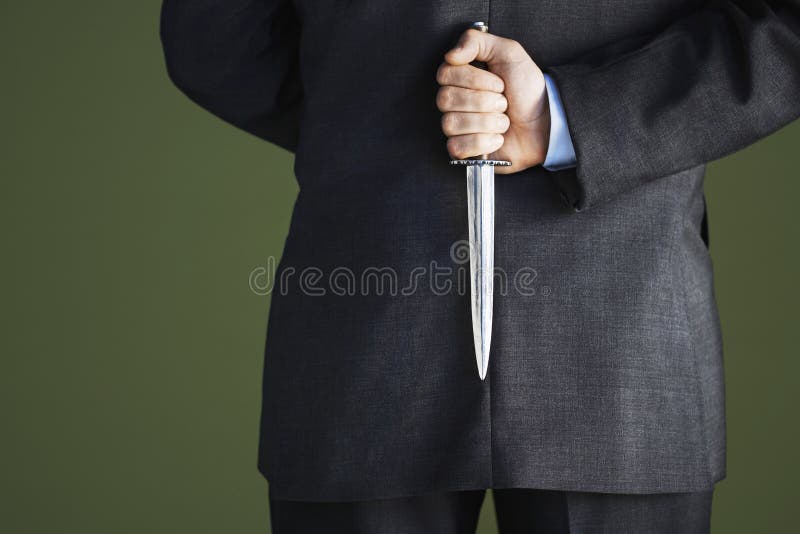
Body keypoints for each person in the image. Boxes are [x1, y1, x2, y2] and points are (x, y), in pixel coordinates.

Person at [160, 1, 800, 532]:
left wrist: (368, 127)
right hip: (625, 331)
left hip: (366, 327)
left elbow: (216, 44)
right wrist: (579, 122)